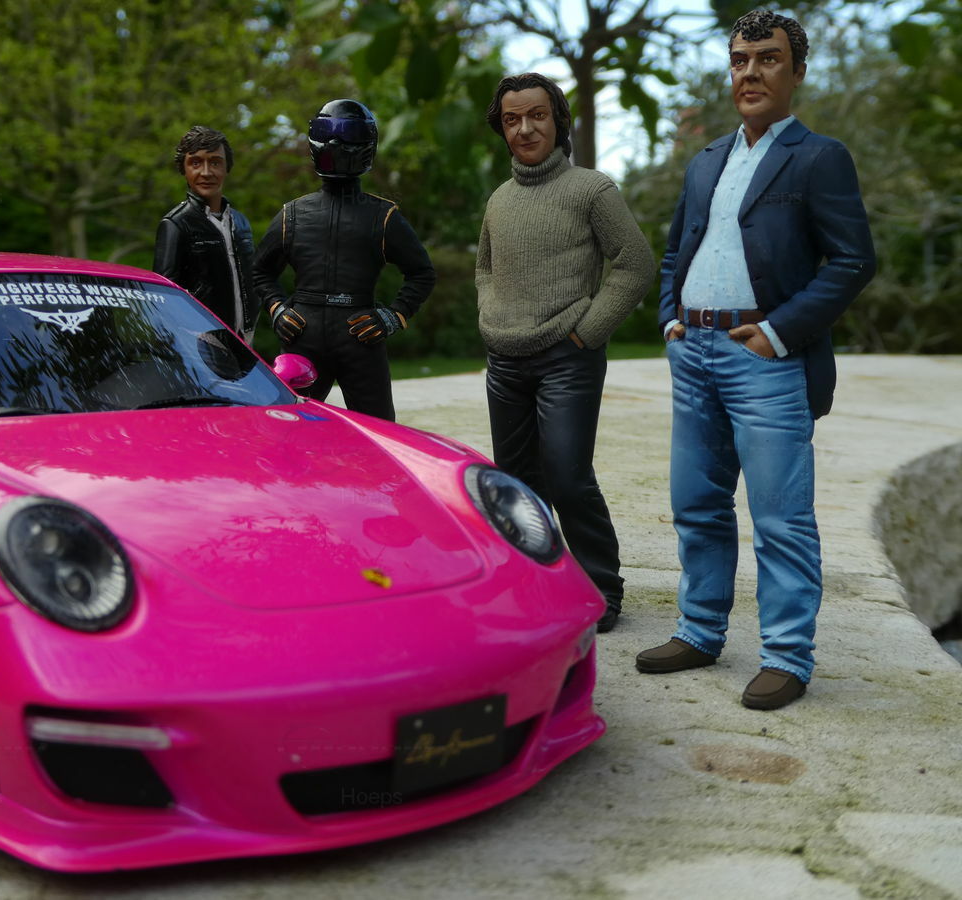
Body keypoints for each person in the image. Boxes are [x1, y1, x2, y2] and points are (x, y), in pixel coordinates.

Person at [636, 9, 876, 709]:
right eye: (740, 60)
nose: (751, 73)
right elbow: (675, 252)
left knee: (780, 517)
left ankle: (787, 657)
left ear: (796, 71)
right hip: (694, 354)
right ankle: (699, 630)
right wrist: (670, 319)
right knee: (696, 505)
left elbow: (853, 260)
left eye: (768, 59)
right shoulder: (706, 159)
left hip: (766, 360)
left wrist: (778, 331)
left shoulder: (819, 157)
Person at [476, 73, 654, 633]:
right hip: (505, 360)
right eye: (512, 119)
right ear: (502, 129)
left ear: (558, 121)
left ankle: (602, 588)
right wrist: (491, 314)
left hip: (567, 358)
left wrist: (589, 330)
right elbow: (485, 269)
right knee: (514, 482)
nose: (525, 128)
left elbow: (635, 263)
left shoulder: (591, 190)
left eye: (537, 115)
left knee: (567, 476)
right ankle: (532, 583)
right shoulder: (499, 200)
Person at [252, 99, 435, 421]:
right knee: (290, 427)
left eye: (347, 136)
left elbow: (422, 273)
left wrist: (393, 316)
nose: (336, 145)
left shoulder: (382, 217)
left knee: (378, 431)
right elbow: (260, 271)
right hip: (310, 336)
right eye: (328, 135)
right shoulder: (294, 215)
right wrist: (277, 308)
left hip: (355, 338)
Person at [153, 126, 259, 342]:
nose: (206, 172)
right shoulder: (176, 224)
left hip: (245, 338)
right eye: (195, 163)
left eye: (215, 162)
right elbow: (163, 296)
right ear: (184, 169)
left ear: (227, 167)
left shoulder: (240, 222)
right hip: (200, 339)